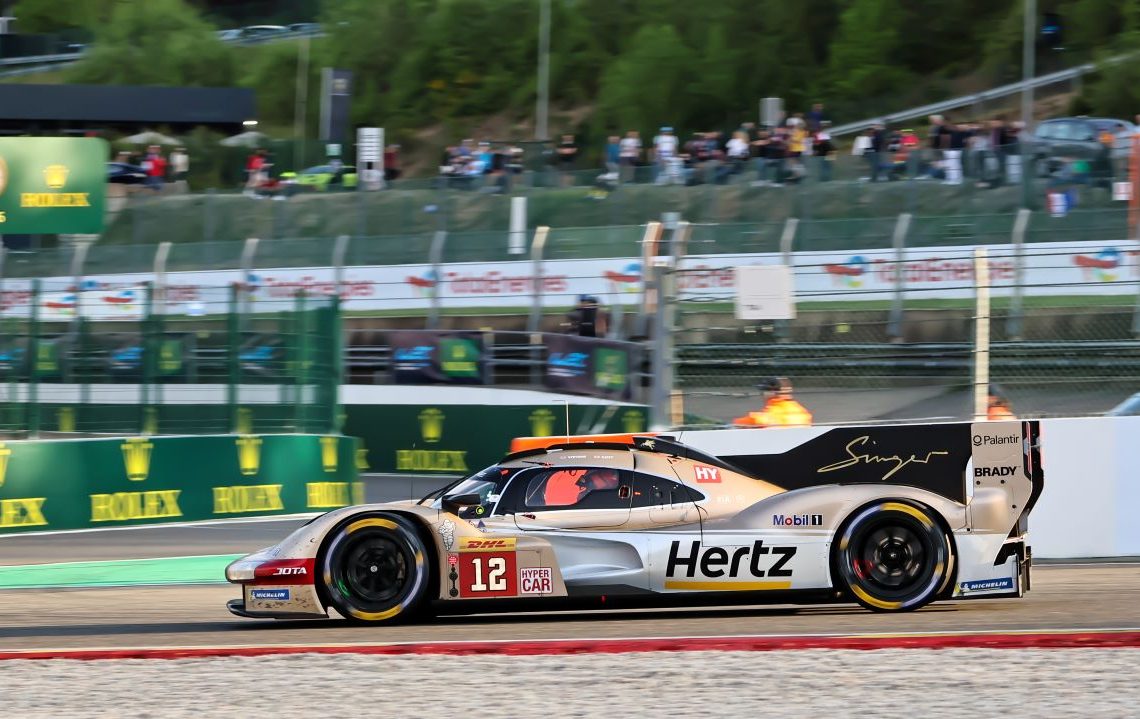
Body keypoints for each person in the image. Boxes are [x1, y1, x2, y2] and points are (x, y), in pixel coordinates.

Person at [732, 377, 813, 427]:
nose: (762, 394)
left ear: (772, 392)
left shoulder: (775, 410)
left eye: (764, 391)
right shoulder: (800, 410)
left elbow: (757, 420)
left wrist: (735, 423)